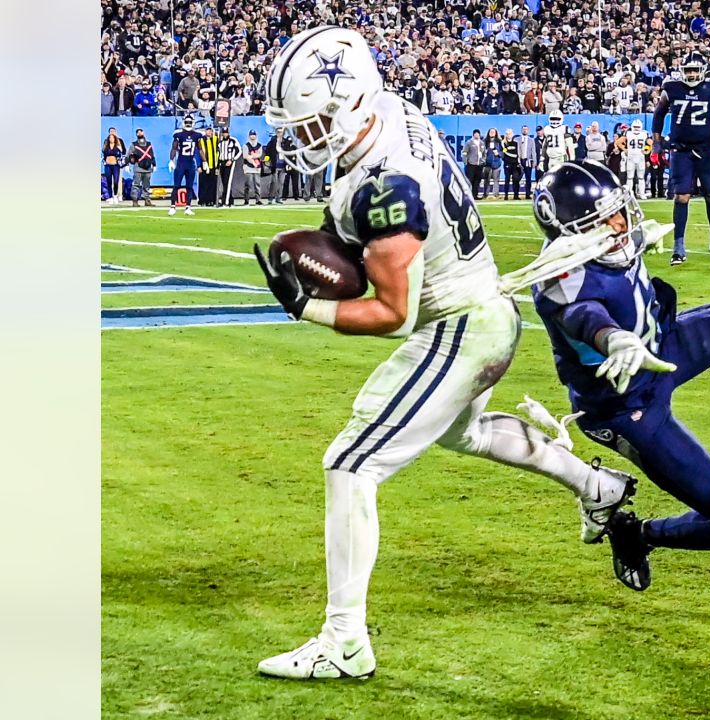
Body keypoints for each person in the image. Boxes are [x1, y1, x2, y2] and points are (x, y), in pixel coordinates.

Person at [252, 26, 637, 681]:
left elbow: (393, 314)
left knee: (349, 463)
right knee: (469, 433)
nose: (302, 138)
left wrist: (306, 305)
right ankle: (599, 486)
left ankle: (343, 643)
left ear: (347, 107)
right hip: (483, 308)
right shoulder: (392, 113)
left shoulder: (387, 185)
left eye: (311, 124)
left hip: (459, 323)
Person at [530, 161, 710, 591]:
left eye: (620, 212)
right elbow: (584, 316)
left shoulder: (609, 240)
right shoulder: (562, 279)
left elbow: (621, 254)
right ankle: (639, 534)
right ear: (573, 235)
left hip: (663, 349)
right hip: (626, 405)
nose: (620, 223)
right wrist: (614, 340)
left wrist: (639, 238)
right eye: (605, 220)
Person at [651, 52, 710, 266]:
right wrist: (656, 143)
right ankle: (679, 247)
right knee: (681, 196)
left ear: (702, 71)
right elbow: (658, 115)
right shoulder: (671, 88)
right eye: (687, 70)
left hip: (706, 150)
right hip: (681, 150)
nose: (690, 74)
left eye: (694, 70)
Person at [168, 114, 203, 215]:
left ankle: (188, 207)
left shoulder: (197, 135)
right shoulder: (179, 135)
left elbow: (200, 150)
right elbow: (174, 148)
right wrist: (171, 160)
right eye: (186, 122)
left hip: (190, 163)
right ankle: (172, 206)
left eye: (189, 122)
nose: (188, 124)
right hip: (181, 163)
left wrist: (204, 161)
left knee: (189, 186)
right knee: (176, 186)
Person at [126, 127, 156, 206]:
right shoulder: (134, 144)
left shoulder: (149, 144)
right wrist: (127, 164)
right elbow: (129, 155)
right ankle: (135, 201)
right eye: (138, 132)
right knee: (136, 185)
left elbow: (151, 155)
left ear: (143, 133)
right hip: (138, 168)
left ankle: (147, 200)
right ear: (136, 134)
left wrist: (154, 164)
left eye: (141, 132)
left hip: (148, 168)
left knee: (146, 186)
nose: (139, 133)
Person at [216, 127, 242, 206]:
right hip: (222, 162)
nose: (225, 134)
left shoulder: (233, 141)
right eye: (224, 133)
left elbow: (239, 151)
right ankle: (229, 199)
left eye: (226, 133)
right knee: (224, 182)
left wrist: (232, 159)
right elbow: (218, 154)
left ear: (228, 133)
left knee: (228, 181)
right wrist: (217, 165)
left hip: (229, 162)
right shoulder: (219, 142)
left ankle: (226, 201)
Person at [624, 119, 649, 199]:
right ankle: (629, 194)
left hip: (640, 156)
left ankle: (641, 193)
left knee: (641, 177)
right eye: (635, 127)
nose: (636, 128)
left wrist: (647, 150)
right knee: (630, 177)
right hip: (631, 157)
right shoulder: (628, 133)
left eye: (638, 127)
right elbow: (618, 142)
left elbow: (651, 143)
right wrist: (624, 149)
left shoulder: (644, 134)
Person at [197, 126, 220, 207]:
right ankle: (202, 200)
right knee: (203, 184)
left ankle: (212, 200)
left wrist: (217, 166)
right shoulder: (201, 140)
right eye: (207, 131)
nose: (209, 132)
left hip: (213, 165)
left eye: (210, 131)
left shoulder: (216, 139)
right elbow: (198, 153)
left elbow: (218, 153)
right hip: (204, 165)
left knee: (213, 184)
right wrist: (198, 165)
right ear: (205, 132)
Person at [102, 128, 126, 204]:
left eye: (112, 136)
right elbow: (104, 153)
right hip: (108, 165)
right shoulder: (106, 144)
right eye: (110, 136)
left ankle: (116, 195)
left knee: (116, 181)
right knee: (108, 181)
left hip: (116, 165)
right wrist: (104, 161)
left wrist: (123, 163)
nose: (111, 138)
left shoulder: (119, 143)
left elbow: (123, 153)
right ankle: (110, 197)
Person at [241, 130, 265, 205]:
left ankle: (258, 199)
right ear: (249, 136)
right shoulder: (246, 145)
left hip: (257, 167)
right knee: (247, 184)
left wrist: (251, 156)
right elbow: (245, 156)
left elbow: (259, 154)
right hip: (248, 167)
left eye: (254, 135)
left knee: (257, 184)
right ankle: (246, 199)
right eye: (251, 135)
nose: (253, 136)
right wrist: (252, 161)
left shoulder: (259, 145)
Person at [464, 129, 486, 197]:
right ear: (473, 134)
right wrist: (466, 162)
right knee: (470, 180)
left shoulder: (482, 143)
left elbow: (484, 154)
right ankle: (468, 195)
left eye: (478, 133)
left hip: (479, 165)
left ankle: (475, 195)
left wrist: (483, 161)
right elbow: (464, 152)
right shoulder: (469, 142)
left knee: (477, 180)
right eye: (475, 133)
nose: (476, 135)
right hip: (471, 164)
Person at [516, 125, 537, 198]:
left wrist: (534, 162)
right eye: (523, 129)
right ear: (521, 130)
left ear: (528, 130)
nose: (525, 131)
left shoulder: (531, 140)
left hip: (528, 161)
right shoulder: (517, 139)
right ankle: (516, 195)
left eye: (526, 129)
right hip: (519, 160)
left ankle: (528, 194)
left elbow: (533, 152)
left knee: (528, 178)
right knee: (517, 178)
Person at [501, 128, 521, 200]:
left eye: (510, 133)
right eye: (507, 134)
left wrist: (517, 161)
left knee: (516, 180)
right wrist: (512, 156)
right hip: (507, 164)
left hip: (515, 164)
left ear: (512, 134)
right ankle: (506, 196)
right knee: (507, 180)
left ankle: (516, 195)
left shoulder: (515, 143)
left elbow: (517, 153)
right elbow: (504, 153)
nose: (509, 135)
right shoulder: (504, 143)